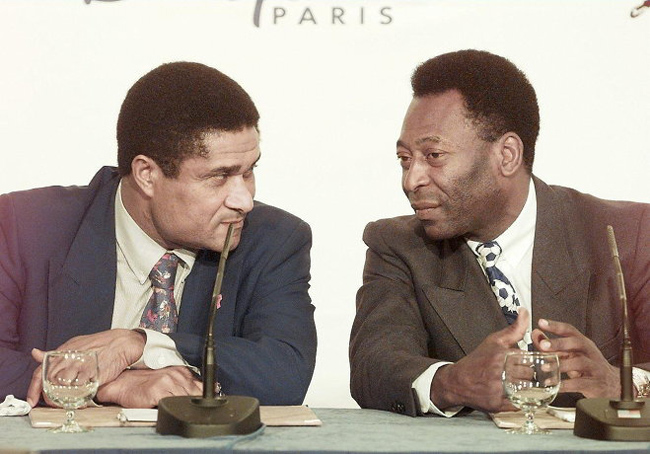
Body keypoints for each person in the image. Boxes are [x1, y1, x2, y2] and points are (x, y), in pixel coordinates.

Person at [349, 49, 650, 417]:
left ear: (506, 155)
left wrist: (625, 384)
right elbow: (373, 366)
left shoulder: (629, 234)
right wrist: (453, 382)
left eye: (434, 156)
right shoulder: (398, 245)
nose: (411, 180)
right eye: (405, 159)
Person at [0, 62, 317, 408]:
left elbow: (286, 373)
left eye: (249, 171)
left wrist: (141, 344)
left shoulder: (274, 240)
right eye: (219, 177)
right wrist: (108, 386)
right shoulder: (24, 226)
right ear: (147, 174)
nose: (244, 201)